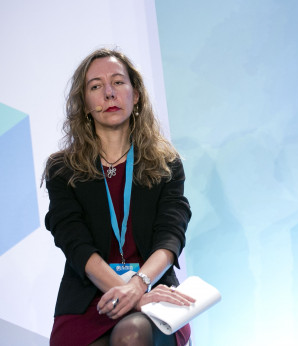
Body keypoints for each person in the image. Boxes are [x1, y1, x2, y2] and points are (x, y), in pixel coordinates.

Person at [43, 48, 194, 346]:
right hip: (89, 299)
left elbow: (171, 235)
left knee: (132, 334)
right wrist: (131, 293)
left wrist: (139, 286)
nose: (109, 93)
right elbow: (74, 242)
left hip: (153, 290)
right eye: (96, 86)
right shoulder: (63, 170)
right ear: (85, 103)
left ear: (135, 95)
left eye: (118, 83)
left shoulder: (166, 164)